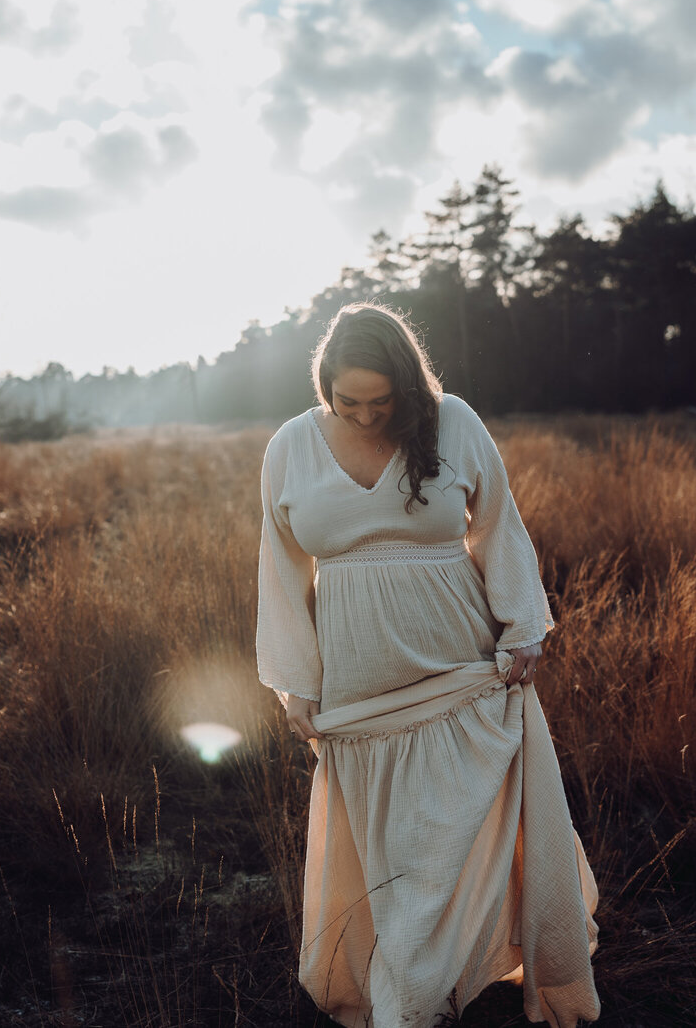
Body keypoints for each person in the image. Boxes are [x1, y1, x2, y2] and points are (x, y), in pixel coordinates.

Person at [256, 303, 600, 1027]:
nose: (364, 414)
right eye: (347, 401)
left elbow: (499, 525)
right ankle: (423, 984)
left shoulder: (454, 424)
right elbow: (281, 570)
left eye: (381, 401)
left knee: (452, 841)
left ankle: (412, 999)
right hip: (360, 696)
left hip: (461, 673)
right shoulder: (291, 445)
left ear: (407, 387)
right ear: (325, 384)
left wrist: (524, 628)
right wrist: (295, 681)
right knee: (393, 856)